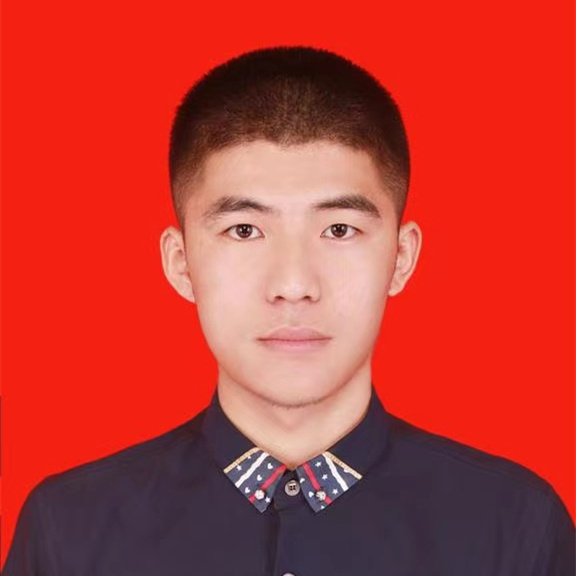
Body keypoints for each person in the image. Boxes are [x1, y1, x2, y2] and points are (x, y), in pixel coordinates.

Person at [3, 46, 574, 576]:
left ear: (401, 258)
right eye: (244, 230)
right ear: (181, 263)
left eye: (339, 229)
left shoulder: (515, 526)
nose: (294, 285)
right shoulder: (67, 530)